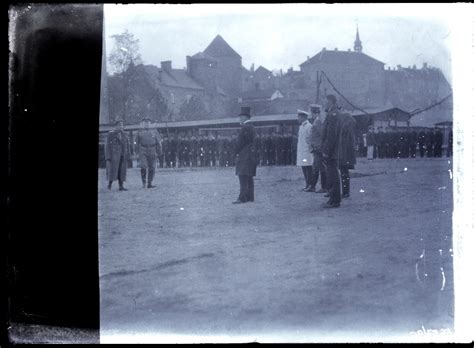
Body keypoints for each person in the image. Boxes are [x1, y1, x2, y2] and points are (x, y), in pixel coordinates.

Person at [321, 95, 343, 208]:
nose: (325, 104)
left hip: (331, 150)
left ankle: (335, 200)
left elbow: (331, 135)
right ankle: (333, 198)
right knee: (331, 173)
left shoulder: (333, 115)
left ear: (331, 102)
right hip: (332, 150)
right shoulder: (332, 113)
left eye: (326, 101)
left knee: (333, 174)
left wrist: (326, 150)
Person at [233, 106, 257, 204]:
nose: (240, 119)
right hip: (250, 155)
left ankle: (242, 198)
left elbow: (240, 142)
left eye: (241, 117)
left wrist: (235, 151)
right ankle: (250, 197)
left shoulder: (245, 127)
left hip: (245, 155)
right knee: (249, 177)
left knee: (242, 176)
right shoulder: (251, 127)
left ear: (245, 117)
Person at [135, 117, 161, 189]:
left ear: (150, 123)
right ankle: (144, 183)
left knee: (152, 167)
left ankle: (149, 183)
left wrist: (159, 151)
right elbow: (135, 142)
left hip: (152, 149)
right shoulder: (139, 131)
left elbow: (159, 141)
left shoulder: (155, 131)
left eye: (148, 122)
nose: (147, 124)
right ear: (142, 124)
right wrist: (136, 151)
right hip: (143, 149)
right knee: (143, 166)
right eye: (145, 122)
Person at [105, 120, 130, 191]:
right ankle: (109, 184)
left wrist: (129, 155)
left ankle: (121, 186)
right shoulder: (111, 134)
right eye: (119, 125)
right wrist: (108, 156)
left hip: (123, 155)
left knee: (121, 171)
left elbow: (128, 145)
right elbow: (107, 146)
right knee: (113, 171)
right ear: (115, 126)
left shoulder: (125, 134)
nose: (120, 126)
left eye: (122, 125)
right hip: (114, 156)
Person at [308, 104, 327, 193]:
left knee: (321, 167)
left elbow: (322, 135)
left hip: (318, 148)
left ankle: (324, 187)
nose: (310, 114)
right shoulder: (317, 120)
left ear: (314, 112)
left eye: (311, 112)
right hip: (316, 147)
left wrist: (318, 146)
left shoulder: (318, 121)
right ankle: (312, 186)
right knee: (315, 167)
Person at [338, 112, 357, 198]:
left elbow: (343, 144)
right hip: (347, 155)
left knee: (344, 173)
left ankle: (346, 193)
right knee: (345, 173)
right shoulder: (348, 128)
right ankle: (346, 192)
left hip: (345, 155)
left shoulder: (345, 128)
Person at [296, 109, 315, 192]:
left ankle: (311, 185)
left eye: (299, 117)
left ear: (303, 117)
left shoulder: (309, 126)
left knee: (308, 168)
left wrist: (309, 148)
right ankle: (307, 184)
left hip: (307, 151)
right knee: (304, 168)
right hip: (301, 151)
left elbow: (310, 139)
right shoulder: (301, 127)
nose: (298, 118)